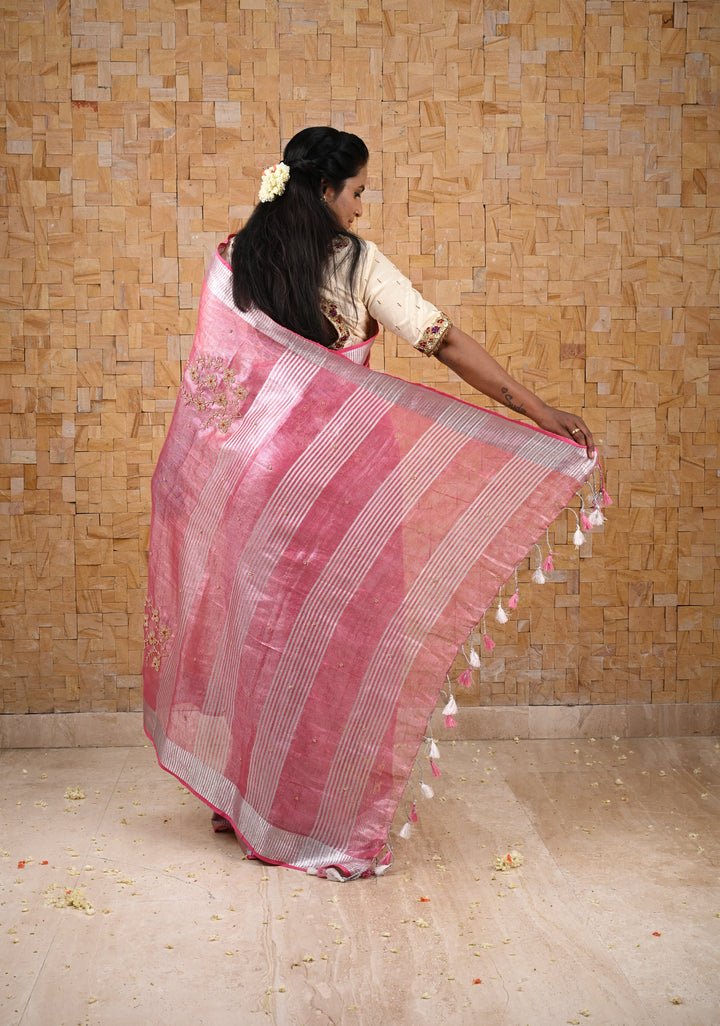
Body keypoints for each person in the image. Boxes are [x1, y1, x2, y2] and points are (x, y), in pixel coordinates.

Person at [143, 127, 601, 880]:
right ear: (325, 192)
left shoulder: (237, 258)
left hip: (259, 484)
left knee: (262, 635)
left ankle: (244, 802)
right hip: (344, 483)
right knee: (340, 638)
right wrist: (536, 411)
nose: (361, 206)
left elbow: (218, 387)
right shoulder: (354, 263)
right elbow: (440, 340)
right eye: (357, 190)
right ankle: (313, 813)